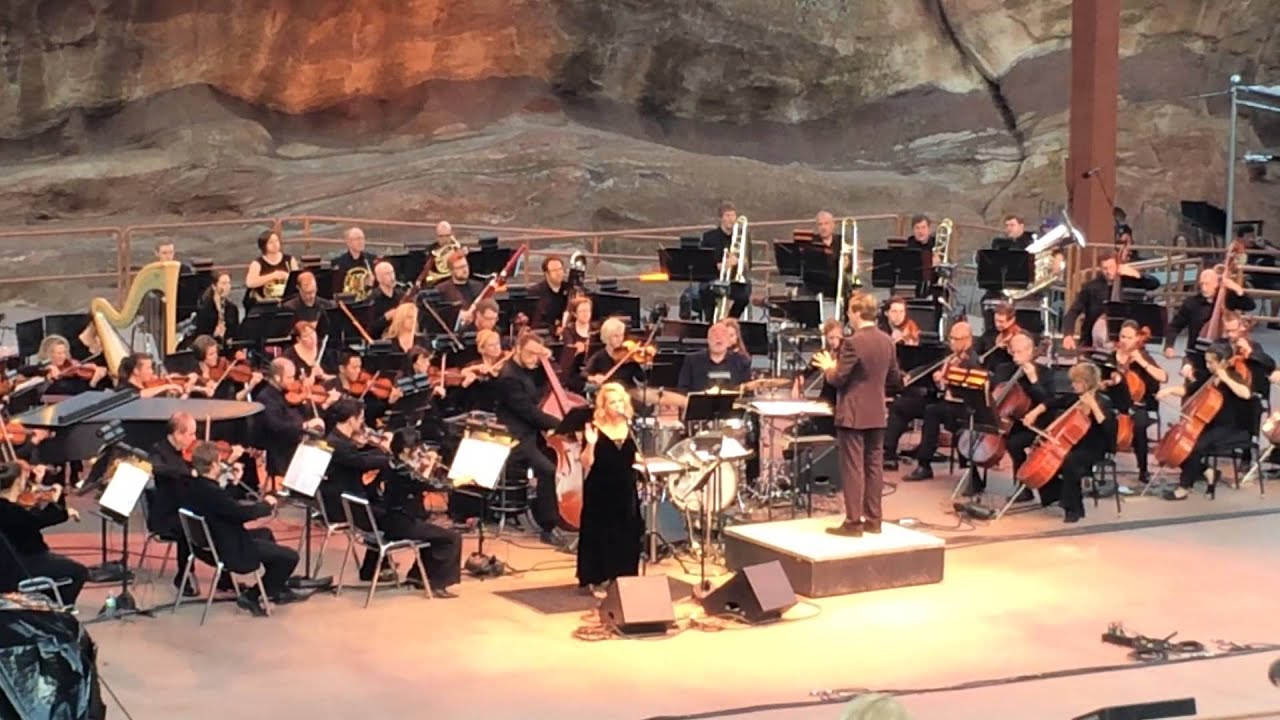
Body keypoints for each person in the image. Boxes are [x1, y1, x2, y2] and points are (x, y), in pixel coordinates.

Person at [324, 399, 462, 596]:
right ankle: (435, 582)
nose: (363, 424)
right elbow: (430, 483)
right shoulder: (396, 468)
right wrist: (456, 480)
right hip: (382, 519)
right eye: (361, 419)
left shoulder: (388, 467)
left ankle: (388, 570)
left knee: (416, 520)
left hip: (378, 512)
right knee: (449, 536)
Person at [181, 441, 307, 615]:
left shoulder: (195, 486)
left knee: (266, 533)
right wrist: (266, 505)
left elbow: (225, 506)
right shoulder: (213, 493)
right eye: (220, 461)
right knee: (290, 557)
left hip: (210, 543)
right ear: (213, 465)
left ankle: (275, 588)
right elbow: (240, 513)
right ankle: (252, 595)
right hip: (230, 549)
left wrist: (234, 483)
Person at [813, 292, 901, 536]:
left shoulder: (852, 342)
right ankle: (874, 520)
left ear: (856, 312)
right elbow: (895, 379)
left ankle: (853, 522)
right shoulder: (887, 341)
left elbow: (839, 379)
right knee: (874, 466)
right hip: (876, 412)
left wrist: (829, 367)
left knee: (853, 468)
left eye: (850, 312)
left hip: (853, 414)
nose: (848, 317)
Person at [1155, 341, 1256, 501]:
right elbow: (1188, 390)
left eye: (1211, 362)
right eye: (1207, 361)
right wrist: (1168, 391)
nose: (1208, 365)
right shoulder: (1207, 376)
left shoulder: (1233, 375)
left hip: (1229, 428)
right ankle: (1208, 472)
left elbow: (1246, 394)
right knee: (1178, 446)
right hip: (1208, 424)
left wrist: (1226, 378)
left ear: (1223, 362)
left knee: (1193, 448)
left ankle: (1184, 487)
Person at [1017, 362, 1115, 523]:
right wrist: (1034, 412)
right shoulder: (1075, 398)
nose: (1073, 385)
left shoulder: (1103, 401)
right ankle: (1055, 496)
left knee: (1070, 461)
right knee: (1050, 461)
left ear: (1086, 383)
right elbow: (1051, 402)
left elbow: (1108, 429)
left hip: (1094, 446)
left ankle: (1074, 508)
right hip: (1074, 443)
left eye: (1076, 382)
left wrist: (1093, 407)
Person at [494, 334, 565, 547]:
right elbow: (527, 411)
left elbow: (549, 384)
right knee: (547, 470)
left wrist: (548, 361)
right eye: (530, 353)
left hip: (531, 433)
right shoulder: (508, 376)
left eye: (537, 354)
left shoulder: (526, 369)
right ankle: (548, 526)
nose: (535, 358)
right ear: (517, 348)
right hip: (514, 438)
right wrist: (560, 423)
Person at [889, 321, 979, 479]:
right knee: (901, 405)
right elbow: (930, 366)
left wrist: (946, 379)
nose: (951, 342)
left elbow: (968, 386)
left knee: (932, 412)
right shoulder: (949, 354)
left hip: (960, 405)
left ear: (967, 340)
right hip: (940, 399)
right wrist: (913, 375)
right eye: (950, 338)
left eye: (955, 339)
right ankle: (888, 451)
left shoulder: (973, 359)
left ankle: (924, 464)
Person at [576, 383, 643, 594]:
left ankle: (622, 575)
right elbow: (586, 462)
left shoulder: (630, 426)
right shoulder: (593, 427)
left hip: (625, 485)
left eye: (620, 402)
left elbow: (633, 456)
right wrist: (591, 444)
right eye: (613, 402)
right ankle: (595, 577)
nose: (617, 406)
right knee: (600, 531)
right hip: (600, 487)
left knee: (627, 530)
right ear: (604, 405)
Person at [0, 462, 87, 605]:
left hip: (13, 561)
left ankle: (47, 604)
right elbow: (41, 519)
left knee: (60, 563)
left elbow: (31, 517)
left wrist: (39, 485)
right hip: (22, 564)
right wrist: (57, 498)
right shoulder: (12, 512)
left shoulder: (10, 508)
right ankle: (60, 611)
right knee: (78, 572)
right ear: (17, 482)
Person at [988, 333, 1053, 498]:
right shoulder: (1004, 370)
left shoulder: (1044, 373)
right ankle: (974, 481)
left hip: (1035, 424)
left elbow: (1047, 401)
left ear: (1030, 351)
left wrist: (1033, 381)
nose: (1016, 357)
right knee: (977, 430)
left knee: (1014, 443)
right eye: (1013, 352)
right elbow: (994, 394)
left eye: (1020, 352)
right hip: (1008, 420)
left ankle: (1024, 487)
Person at [1060, 250, 1160, 350]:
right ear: (1100, 268)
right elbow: (1073, 312)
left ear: (1118, 266)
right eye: (1104, 268)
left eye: (1111, 267)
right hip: (1093, 342)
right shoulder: (1091, 287)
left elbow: (1154, 284)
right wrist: (1068, 334)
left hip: (1127, 344)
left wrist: (1138, 275)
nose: (1108, 272)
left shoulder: (1130, 282)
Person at [1107, 320, 1167, 485]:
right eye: (1122, 336)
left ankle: (1143, 469)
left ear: (1137, 339)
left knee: (1139, 426)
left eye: (1129, 337)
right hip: (1113, 404)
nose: (1124, 340)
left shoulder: (1142, 356)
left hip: (1136, 406)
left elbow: (1163, 377)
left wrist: (1142, 362)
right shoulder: (1111, 356)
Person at [254, 358, 327, 486]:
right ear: (277, 377)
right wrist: (304, 425)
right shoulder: (266, 397)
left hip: (295, 443)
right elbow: (276, 426)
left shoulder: (288, 393)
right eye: (290, 377)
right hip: (280, 449)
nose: (294, 381)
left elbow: (300, 415)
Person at [149, 412, 200, 594]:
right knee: (191, 527)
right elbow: (159, 469)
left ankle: (224, 576)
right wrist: (189, 473)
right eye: (191, 434)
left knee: (211, 522)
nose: (194, 438)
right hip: (165, 516)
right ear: (177, 434)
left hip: (181, 508)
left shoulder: (181, 454)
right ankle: (183, 575)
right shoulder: (159, 451)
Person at [1163, 268, 1255, 357]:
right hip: (1196, 350)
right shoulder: (1192, 303)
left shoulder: (1227, 298)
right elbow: (1175, 326)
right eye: (1202, 284)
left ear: (1216, 284)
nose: (1204, 288)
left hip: (1225, 351)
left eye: (1207, 284)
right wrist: (1169, 346)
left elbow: (1250, 306)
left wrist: (1238, 290)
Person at [698, 201, 751, 320]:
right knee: (706, 293)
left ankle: (731, 320)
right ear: (721, 218)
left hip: (735, 280)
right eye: (727, 216)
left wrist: (738, 261)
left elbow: (748, 265)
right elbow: (705, 264)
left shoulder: (743, 237)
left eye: (733, 215)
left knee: (744, 297)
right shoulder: (709, 237)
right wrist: (724, 265)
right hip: (714, 278)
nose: (731, 219)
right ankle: (710, 322)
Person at [677, 322, 752, 392]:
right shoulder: (692, 360)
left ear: (728, 341)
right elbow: (682, 390)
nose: (718, 339)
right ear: (708, 340)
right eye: (715, 336)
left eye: (722, 336)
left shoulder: (741, 361)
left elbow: (747, 393)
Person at [245, 229, 299, 306]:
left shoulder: (289, 260)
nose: (275, 244)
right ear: (264, 245)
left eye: (276, 241)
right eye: (271, 242)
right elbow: (250, 283)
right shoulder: (257, 263)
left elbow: (298, 279)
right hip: (265, 301)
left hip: (287, 300)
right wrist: (273, 276)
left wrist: (287, 277)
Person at [282, 271, 335, 340]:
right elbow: (287, 333)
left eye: (313, 291)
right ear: (299, 288)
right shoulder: (289, 307)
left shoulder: (327, 305)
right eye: (308, 293)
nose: (312, 296)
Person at [192, 271, 241, 344]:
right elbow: (200, 336)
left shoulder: (232, 308)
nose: (227, 286)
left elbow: (235, 333)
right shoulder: (205, 308)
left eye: (229, 283)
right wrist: (214, 334)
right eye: (224, 283)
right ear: (214, 286)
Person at [437, 251, 486, 322]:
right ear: (452, 271)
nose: (465, 270)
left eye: (465, 266)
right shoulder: (442, 290)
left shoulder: (478, 286)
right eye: (460, 267)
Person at [331, 227, 375, 297]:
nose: (361, 242)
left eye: (362, 238)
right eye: (357, 239)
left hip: (369, 301)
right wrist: (362, 283)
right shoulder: (339, 263)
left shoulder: (372, 259)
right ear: (348, 242)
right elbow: (338, 291)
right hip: (349, 301)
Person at [529, 256, 569, 330]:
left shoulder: (569, 288)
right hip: (545, 332)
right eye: (554, 270)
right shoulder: (535, 292)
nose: (559, 273)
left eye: (560, 269)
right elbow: (536, 320)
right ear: (546, 274)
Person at [366, 260, 403, 338]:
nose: (392, 277)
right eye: (387, 274)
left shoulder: (401, 294)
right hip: (381, 341)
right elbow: (369, 328)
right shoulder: (373, 298)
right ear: (379, 278)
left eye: (392, 272)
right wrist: (386, 317)